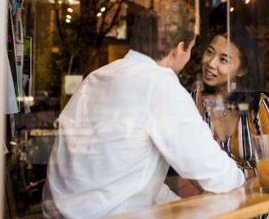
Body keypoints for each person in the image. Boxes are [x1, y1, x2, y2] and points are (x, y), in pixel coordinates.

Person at [43, 22, 246, 218]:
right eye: (191, 49)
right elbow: (215, 174)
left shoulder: (97, 76)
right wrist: (245, 179)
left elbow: (122, 178)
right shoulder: (159, 84)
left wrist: (176, 203)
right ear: (179, 49)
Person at [193, 27, 269, 180]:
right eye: (210, 52)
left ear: (242, 69)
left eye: (224, 59)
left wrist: (234, 180)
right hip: (215, 197)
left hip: (257, 197)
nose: (211, 63)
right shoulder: (196, 100)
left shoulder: (259, 105)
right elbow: (190, 161)